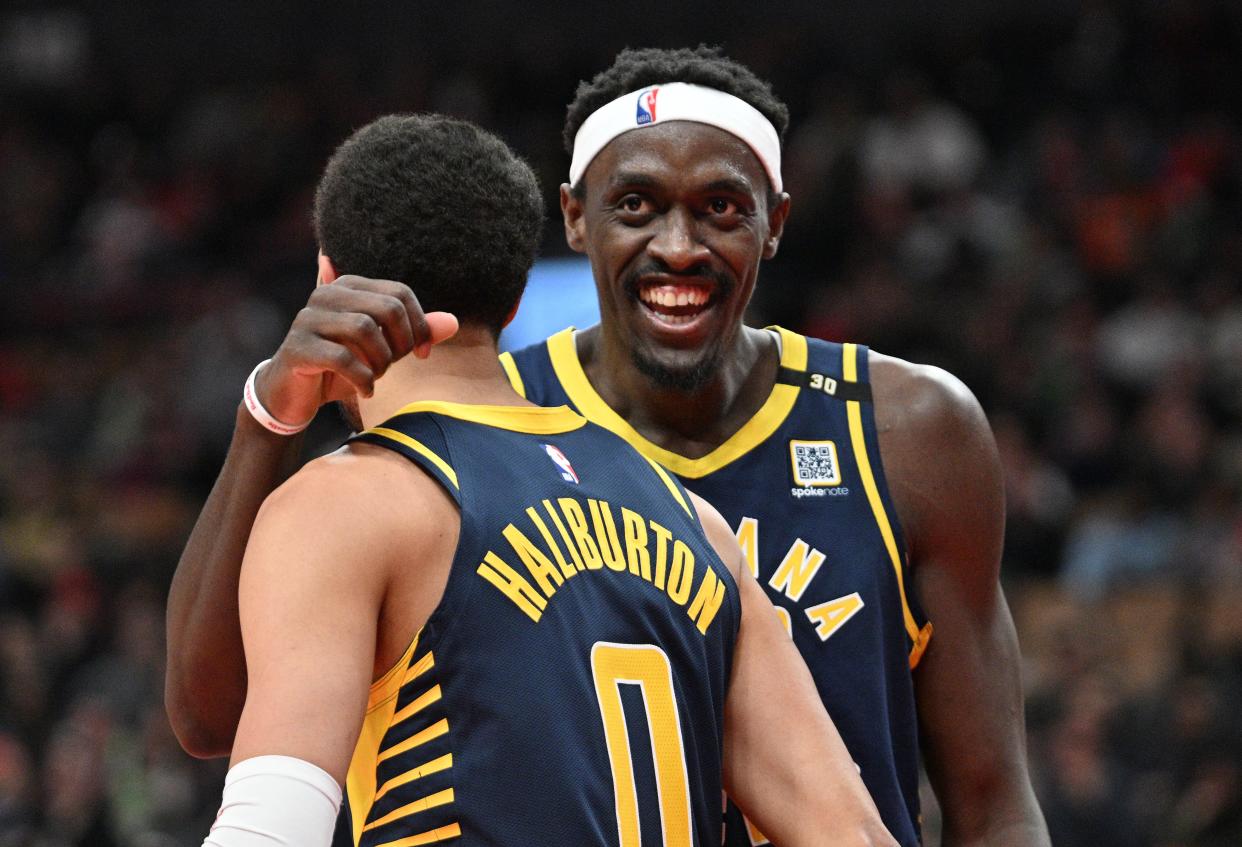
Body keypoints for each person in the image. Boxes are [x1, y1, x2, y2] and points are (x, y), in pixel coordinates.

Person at [167, 48, 1048, 846]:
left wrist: (270, 417)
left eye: (719, 209)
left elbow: (261, 816)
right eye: (637, 205)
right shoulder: (685, 517)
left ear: (774, 222)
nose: (677, 247)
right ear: (567, 228)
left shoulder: (902, 426)